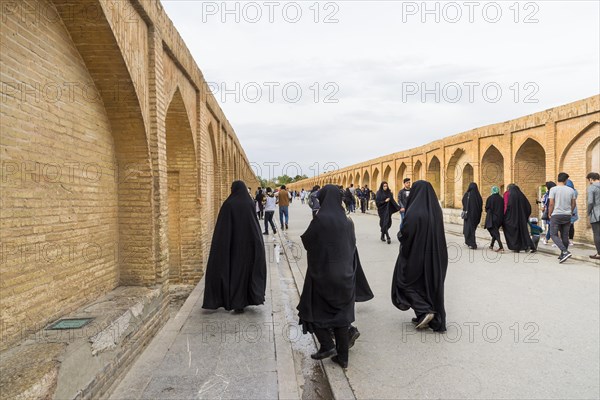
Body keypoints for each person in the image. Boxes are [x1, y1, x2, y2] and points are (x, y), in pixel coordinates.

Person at [297, 185, 374, 369]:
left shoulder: (320, 220)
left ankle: (327, 345)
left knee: (311, 309)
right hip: (346, 276)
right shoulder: (347, 221)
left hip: (323, 275)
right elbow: (352, 247)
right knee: (342, 317)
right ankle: (343, 358)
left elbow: (308, 242)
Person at [391, 180, 447, 332]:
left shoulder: (414, 212)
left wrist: (400, 235)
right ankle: (424, 315)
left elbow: (406, 235)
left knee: (403, 282)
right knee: (428, 283)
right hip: (435, 257)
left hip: (415, 255)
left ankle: (424, 309)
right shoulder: (435, 210)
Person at [203, 181, 267, 313]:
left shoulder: (229, 204)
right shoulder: (249, 203)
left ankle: (236, 301)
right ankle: (243, 301)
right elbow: (254, 226)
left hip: (233, 247)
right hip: (248, 246)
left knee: (234, 273)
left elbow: (222, 229)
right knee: (246, 274)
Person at [548, 172, 577, 263]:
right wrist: (570, 212)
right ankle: (562, 254)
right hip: (567, 215)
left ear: (558, 179)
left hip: (556, 215)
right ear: (566, 180)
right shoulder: (571, 190)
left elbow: (551, 203)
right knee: (565, 235)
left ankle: (564, 251)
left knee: (553, 234)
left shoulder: (553, 189)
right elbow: (573, 204)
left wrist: (549, 213)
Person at [503, 185, 536, 253]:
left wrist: (506, 217)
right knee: (524, 232)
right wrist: (525, 216)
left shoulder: (511, 195)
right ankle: (528, 246)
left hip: (512, 219)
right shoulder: (521, 195)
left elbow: (508, 207)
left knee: (514, 233)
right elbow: (528, 207)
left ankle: (516, 247)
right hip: (522, 219)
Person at [462, 182, 483, 249]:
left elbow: (463, 203)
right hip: (476, 216)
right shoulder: (478, 196)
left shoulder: (467, 194)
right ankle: (471, 243)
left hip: (468, 216)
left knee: (468, 230)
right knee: (472, 229)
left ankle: (472, 243)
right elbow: (480, 206)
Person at [485, 186, 504, 252]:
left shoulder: (489, 198)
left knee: (495, 232)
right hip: (500, 218)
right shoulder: (501, 199)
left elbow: (486, 208)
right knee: (495, 231)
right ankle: (491, 245)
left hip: (492, 218)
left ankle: (501, 247)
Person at [586, 172, 600, 259]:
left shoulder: (592, 187)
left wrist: (588, 212)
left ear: (591, 179)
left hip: (596, 214)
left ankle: (599, 253)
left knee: (597, 234)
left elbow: (591, 202)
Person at [566, 179, 579, 245]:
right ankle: (571, 240)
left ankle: (566, 239)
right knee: (571, 225)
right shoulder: (575, 191)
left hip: (567, 209)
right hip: (574, 210)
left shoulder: (567, 191)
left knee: (565, 226)